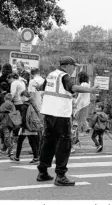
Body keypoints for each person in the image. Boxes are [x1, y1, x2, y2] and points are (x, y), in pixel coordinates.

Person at [36, 56, 100, 187]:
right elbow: (74, 88)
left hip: (48, 113)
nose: (74, 69)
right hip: (60, 115)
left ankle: (42, 172)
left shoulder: (51, 75)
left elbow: (41, 87)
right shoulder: (64, 76)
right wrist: (91, 90)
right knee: (64, 144)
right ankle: (60, 175)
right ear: (66, 66)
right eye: (73, 66)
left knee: (48, 142)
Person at [10, 90, 40, 164]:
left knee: (20, 142)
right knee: (32, 142)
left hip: (25, 127)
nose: (20, 99)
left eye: (21, 97)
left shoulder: (24, 106)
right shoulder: (32, 104)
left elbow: (23, 118)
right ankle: (36, 157)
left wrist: (20, 126)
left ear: (23, 96)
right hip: (33, 126)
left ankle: (17, 157)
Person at [7, 73, 26, 138]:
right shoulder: (22, 81)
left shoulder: (14, 83)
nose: (8, 82)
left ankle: (16, 134)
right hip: (22, 101)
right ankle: (19, 133)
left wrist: (8, 101)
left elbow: (13, 93)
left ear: (11, 78)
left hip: (17, 102)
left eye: (8, 80)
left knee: (16, 119)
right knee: (20, 118)